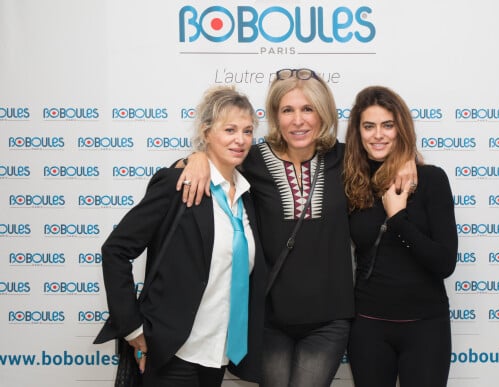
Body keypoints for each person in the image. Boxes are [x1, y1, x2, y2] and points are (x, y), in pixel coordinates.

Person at [176, 69, 418, 387]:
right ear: (276, 116)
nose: (298, 120)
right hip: (268, 318)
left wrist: (408, 160)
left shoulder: (345, 158)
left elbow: (385, 152)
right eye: (287, 110)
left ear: (323, 113)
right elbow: (206, 163)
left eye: (308, 109)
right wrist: (197, 157)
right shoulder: (253, 159)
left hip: (329, 318)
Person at [94, 85, 266, 387]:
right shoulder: (179, 184)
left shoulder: (246, 195)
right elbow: (116, 250)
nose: (240, 140)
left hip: (217, 356)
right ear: (206, 131)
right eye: (229, 130)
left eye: (247, 131)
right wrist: (133, 329)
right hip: (172, 353)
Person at [343, 85, 458, 387]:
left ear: (401, 129)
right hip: (368, 327)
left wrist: (398, 219)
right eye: (369, 126)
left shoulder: (431, 179)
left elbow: (445, 263)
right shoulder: (350, 182)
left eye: (387, 125)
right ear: (358, 132)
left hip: (426, 327)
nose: (378, 135)